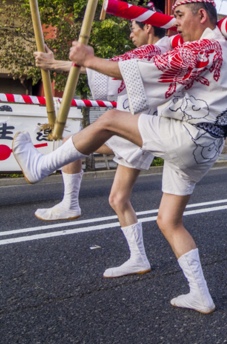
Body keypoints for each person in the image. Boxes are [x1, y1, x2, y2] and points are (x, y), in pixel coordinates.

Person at [13, 0, 227, 313]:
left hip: (186, 135)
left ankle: (41, 167)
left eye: (179, 16)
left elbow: (141, 70)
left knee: (109, 119)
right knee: (168, 220)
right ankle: (200, 294)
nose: (176, 25)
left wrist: (88, 59)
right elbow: (128, 65)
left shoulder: (203, 46)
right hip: (205, 147)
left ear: (201, 16)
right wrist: (71, 62)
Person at [32, 20, 171, 278]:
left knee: (71, 144)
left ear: (149, 28)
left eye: (134, 29)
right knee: (118, 199)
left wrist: (54, 64)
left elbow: (107, 68)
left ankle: (69, 201)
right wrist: (58, 65)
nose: (131, 34)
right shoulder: (157, 52)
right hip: (138, 130)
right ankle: (138, 258)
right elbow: (106, 70)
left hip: (134, 128)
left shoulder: (155, 51)